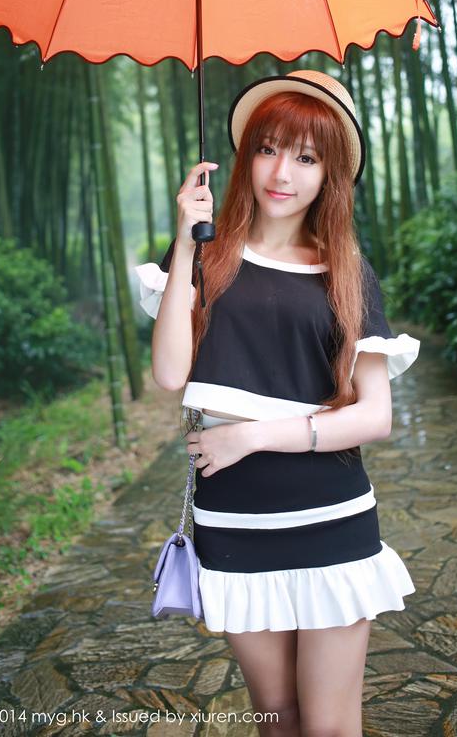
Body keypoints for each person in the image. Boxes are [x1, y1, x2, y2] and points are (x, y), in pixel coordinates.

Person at [134, 69, 420, 737]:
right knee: (278, 718)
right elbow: (170, 373)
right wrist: (186, 240)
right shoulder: (207, 257)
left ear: (330, 175)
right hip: (234, 525)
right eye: (267, 149)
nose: (282, 172)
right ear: (246, 157)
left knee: (328, 726)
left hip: (331, 518)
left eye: (306, 157)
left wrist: (252, 436)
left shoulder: (347, 272)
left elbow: (374, 416)